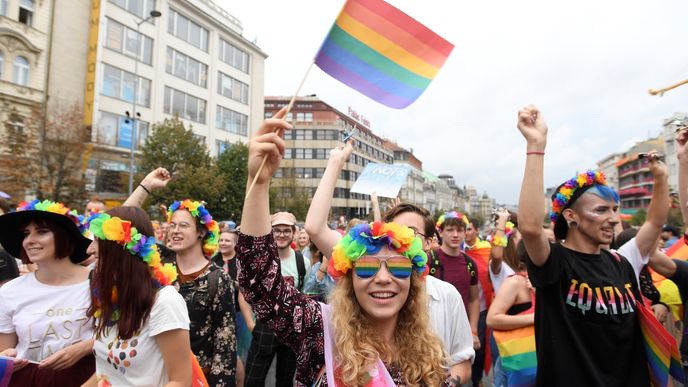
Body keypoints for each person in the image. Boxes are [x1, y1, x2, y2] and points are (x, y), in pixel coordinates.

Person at [237, 109, 455, 385]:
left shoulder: (430, 364)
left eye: (399, 267)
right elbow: (259, 283)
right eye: (366, 267)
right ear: (350, 278)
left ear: (413, 282)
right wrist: (259, 183)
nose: (383, 278)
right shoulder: (320, 331)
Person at [303, 140, 473, 382]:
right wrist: (335, 163)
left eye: (411, 235)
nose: (399, 241)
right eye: (395, 231)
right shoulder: (367, 268)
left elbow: (462, 358)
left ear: (428, 243)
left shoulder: (447, 295)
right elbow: (315, 227)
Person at [516, 105, 649, 386]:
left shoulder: (620, 264)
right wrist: (536, 145)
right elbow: (528, 226)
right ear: (571, 216)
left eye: (615, 210)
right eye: (601, 210)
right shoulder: (556, 262)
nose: (613, 219)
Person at [81, 206, 191, 387]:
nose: (89, 250)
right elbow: (107, 373)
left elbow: (181, 381)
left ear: (121, 248)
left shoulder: (164, 302)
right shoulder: (112, 298)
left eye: (97, 240)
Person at [0, 200, 94, 386]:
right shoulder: (11, 291)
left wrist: (85, 348)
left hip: (87, 378)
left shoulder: (97, 282)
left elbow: (120, 337)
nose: (30, 240)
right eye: (26, 234)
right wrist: (5, 358)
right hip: (27, 379)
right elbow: (5, 350)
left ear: (65, 236)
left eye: (41, 231)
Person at [167, 199, 237, 386]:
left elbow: (225, 341)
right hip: (161, 375)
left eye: (183, 225)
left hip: (198, 378)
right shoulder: (160, 270)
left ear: (201, 232)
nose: (175, 231)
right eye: (172, 225)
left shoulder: (218, 278)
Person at [244, 211, 310, 387]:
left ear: (294, 232)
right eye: (277, 230)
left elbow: (305, 296)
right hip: (264, 328)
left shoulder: (302, 261)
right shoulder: (259, 260)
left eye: (286, 230)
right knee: (253, 380)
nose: (281, 234)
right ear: (270, 232)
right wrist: (252, 325)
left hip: (290, 330)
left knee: (285, 381)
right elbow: (243, 293)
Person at [434, 211, 481, 351]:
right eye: (449, 230)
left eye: (460, 230)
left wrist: (473, 331)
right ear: (440, 232)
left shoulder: (470, 263)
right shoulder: (429, 260)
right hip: (433, 330)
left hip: (461, 330)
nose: (455, 235)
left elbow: (473, 299)